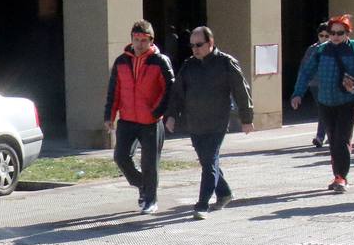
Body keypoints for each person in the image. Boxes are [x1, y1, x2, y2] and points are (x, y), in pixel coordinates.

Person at [163, 26, 254, 220]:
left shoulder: (226, 63)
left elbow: (241, 90)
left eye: (199, 45)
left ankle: (202, 204)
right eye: (192, 46)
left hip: (217, 122)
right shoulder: (189, 66)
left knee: (209, 161)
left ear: (210, 43)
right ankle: (224, 193)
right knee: (206, 162)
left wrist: (246, 118)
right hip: (195, 123)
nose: (195, 49)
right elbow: (177, 93)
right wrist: (171, 116)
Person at [104, 20, 175, 214]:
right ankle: (143, 185)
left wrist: (157, 111)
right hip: (127, 119)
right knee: (120, 157)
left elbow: (169, 89)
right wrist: (109, 115)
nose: (139, 44)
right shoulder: (121, 61)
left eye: (144, 40)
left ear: (151, 41)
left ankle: (151, 199)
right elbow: (114, 91)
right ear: (131, 40)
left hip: (151, 121)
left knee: (149, 162)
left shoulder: (160, 61)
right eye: (136, 39)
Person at [292, 14, 354, 194]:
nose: (335, 36)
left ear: (348, 33)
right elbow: (306, 72)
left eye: (340, 33)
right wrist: (297, 94)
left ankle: (341, 177)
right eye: (332, 33)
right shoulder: (321, 50)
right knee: (332, 138)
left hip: (350, 101)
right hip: (326, 101)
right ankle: (337, 175)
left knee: (342, 138)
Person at [299, 22, 331, 147]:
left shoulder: (336, 49)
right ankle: (322, 136)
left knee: (327, 110)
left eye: (327, 36)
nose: (324, 38)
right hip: (315, 84)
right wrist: (300, 88)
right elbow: (304, 68)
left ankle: (323, 135)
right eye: (321, 35)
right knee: (323, 109)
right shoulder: (312, 49)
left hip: (330, 84)